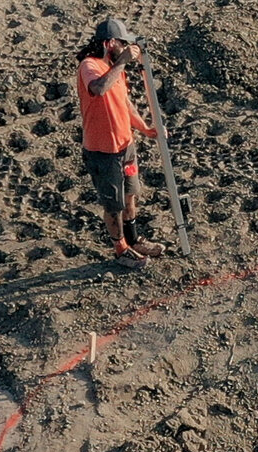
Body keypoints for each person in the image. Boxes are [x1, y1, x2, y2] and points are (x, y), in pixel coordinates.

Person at [78, 18, 162, 268]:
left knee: (130, 195)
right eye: (122, 43)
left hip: (126, 146)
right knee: (113, 204)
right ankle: (120, 248)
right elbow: (100, 88)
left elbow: (125, 103)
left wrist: (145, 129)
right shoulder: (89, 66)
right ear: (110, 42)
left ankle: (134, 240)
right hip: (102, 151)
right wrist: (124, 60)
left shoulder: (116, 69)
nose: (125, 48)